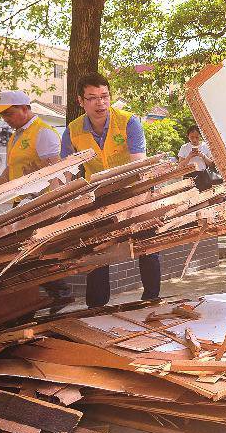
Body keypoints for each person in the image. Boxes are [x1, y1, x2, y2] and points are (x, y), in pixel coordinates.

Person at [60, 72, 160, 307]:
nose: (100, 103)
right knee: (98, 249)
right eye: (92, 98)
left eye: (104, 96)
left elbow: (139, 163)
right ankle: (96, 307)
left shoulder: (128, 121)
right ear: (80, 101)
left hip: (135, 189)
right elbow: (65, 173)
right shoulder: (73, 131)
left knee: (146, 245)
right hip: (98, 195)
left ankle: (151, 299)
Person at [0, 90, 61, 188]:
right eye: (2, 115)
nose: (5, 119)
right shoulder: (15, 136)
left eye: (9, 114)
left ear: (24, 109)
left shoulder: (43, 133)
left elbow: (55, 174)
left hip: (39, 201)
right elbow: (9, 173)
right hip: (20, 201)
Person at [177, 125, 215, 191]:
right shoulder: (184, 147)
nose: (194, 139)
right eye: (192, 137)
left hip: (204, 175)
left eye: (197, 137)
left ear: (200, 136)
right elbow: (180, 166)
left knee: (206, 197)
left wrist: (203, 156)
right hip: (189, 175)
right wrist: (189, 157)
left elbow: (211, 164)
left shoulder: (205, 146)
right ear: (188, 136)